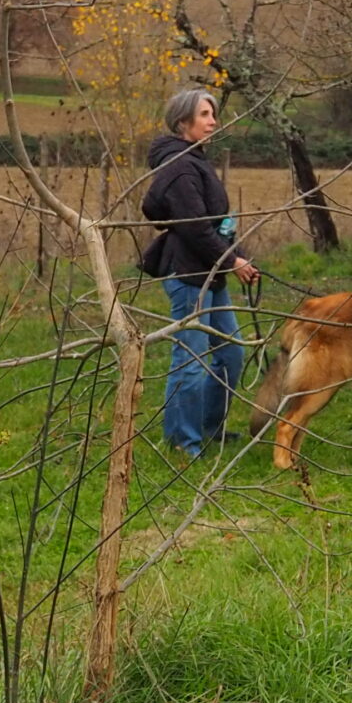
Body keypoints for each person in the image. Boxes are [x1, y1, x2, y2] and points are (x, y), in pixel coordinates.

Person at [140, 88, 260, 457]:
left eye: (213, 114)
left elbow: (216, 224)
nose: (213, 121)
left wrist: (238, 257)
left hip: (210, 272)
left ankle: (208, 427)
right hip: (189, 275)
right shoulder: (179, 166)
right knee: (190, 361)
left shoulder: (194, 159)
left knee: (230, 353)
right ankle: (182, 441)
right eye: (205, 115)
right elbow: (194, 228)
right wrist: (232, 262)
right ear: (183, 121)